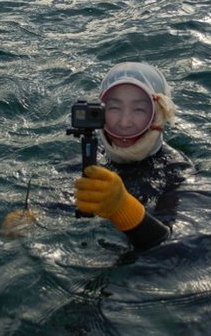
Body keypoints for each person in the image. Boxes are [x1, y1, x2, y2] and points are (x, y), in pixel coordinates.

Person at [74, 62, 193, 252]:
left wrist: (124, 209)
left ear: (158, 114)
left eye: (139, 110)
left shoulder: (177, 172)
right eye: (114, 108)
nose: (124, 122)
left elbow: (180, 249)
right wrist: (28, 217)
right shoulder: (88, 159)